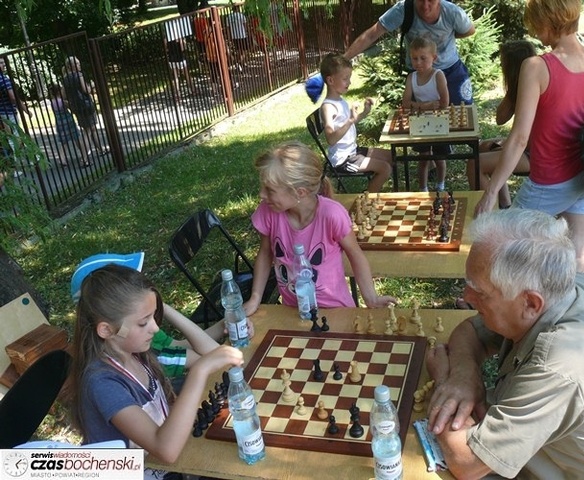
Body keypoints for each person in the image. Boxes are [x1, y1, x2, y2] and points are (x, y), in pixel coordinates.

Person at [424, 208, 584, 479]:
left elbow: (466, 463)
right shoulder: (561, 284)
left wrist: (445, 379)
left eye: (479, 291)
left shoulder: (560, 365)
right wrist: (463, 377)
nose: (466, 297)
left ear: (530, 303)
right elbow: (470, 331)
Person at [473, 0, 584, 272]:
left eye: (536, 26)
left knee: (503, 245)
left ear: (548, 22)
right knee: (575, 252)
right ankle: (568, 298)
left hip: (549, 179)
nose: (535, 33)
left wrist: (491, 191)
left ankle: (510, 296)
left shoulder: (536, 66)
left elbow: (519, 138)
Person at [69, 264, 243, 479]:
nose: (155, 328)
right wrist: (199, 371)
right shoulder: (102, 383)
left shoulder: (136, 352)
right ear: (106, 330)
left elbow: (210, 354)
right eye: (143, 322)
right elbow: (166, 450)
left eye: (153, 317)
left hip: (170, 465)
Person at [242, 141, 396, 317]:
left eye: (269, 190)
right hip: (293, 310)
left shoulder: (331, 214)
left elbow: (355, 254)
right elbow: (265, 253)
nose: (262, 194)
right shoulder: (268, 211)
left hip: (335, 310)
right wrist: (255, 298)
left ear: (299, 192)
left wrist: (371, 298)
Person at [70, 252, 229, 389]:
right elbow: (211, 356)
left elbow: (180, 345)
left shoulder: (135, 332)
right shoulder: (140, 350)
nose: (155, 327)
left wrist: (222, 325)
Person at [344, 0, 475, 105]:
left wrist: (448, 36)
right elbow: (371, 35)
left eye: (431, 0)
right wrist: (344, 59)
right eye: (420, 0)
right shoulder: (402, 10)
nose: (425, 6)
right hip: (419, 74)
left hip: (451, 71)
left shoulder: (452, 12)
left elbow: (469, 30)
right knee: (422, 120)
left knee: (462, 116)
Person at [466, 40, 536, 209]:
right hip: (526, 146)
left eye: (503, 64)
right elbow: (500, 118)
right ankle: (504, 204)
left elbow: (524, 139)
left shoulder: (532, 88)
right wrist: (512, 88)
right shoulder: (519, 88)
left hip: (536, 153)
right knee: (483, 147)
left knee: (474, 165)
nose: (501, 67)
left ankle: (491, 214)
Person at [319, 53, 393, 193]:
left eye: (349, 78)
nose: (349, 82)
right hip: (343, 160)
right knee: (385, 168)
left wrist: (364, 113)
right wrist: (350, 120)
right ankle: (367, 200)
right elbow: (331, 139)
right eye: (345, 78)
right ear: (330, 80)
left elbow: (349, 123)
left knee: (391, 156)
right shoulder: (328, 107)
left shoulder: (340, 100)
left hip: (353, 150)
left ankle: (372, 192)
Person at [402, 35, 449, 192]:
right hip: (420, 122)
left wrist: (417, 106)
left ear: (433, 58)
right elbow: (405, 103)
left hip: (438, 121)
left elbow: (444, 103)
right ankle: (423, 188)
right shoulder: (411, 77)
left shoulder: (438, 75)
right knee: (423, 158)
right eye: (414, 58)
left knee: (439, 158)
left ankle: (440, 185)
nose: (418, 62)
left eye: (423, 58)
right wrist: (426, 105)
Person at [61, 56, 106, 160]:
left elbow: (64, 95)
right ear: (71, 66)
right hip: (86, 105)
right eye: (77, 63)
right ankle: (85, 158)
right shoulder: (79, 75)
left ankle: (101, 149)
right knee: (87, 131)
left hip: (76, 107)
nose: (79, 65)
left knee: (92, 129)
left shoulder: (65, 79)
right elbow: (86, 90)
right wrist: (91, 86)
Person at [47, 83, 90, 168]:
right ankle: (84, 155)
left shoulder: (52, 102)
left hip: (59, 122)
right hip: (68, 121)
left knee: (64, 142)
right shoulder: (63, 102)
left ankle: (62, 159)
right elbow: (71, 108)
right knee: (77, 138)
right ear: (59, 92)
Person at [164, 17, 195, 104]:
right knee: (186, 74)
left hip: (172, 59)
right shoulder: (179, 36)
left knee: (175, 77)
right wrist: (182, 41)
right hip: (180, 58)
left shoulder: (167, 37)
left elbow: (166, 48)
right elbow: (182, 48)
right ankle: (192, 89)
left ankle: (178, 94)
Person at [226, 4, 250, 69]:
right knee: (244, 50)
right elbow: (245, 25)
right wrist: (247, 32)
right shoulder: (241, 16)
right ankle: (240, 62)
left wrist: (229, 36)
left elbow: (228, 28)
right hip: (242, 35)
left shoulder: (229, 17)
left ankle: (240, 63)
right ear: (238, 9)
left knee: (238, 50)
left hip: (234, 36)